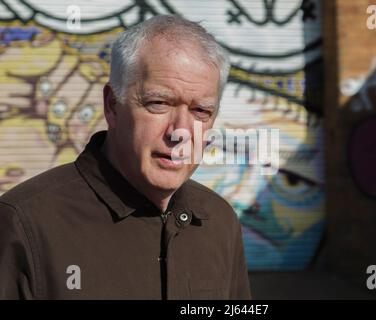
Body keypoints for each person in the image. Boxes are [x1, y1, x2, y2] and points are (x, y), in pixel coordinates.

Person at [0, 15, 251, 300]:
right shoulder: (23, 224)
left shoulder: (219, 221)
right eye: (159, 103)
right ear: (112, 105)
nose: (180, 132)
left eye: (201, 111)